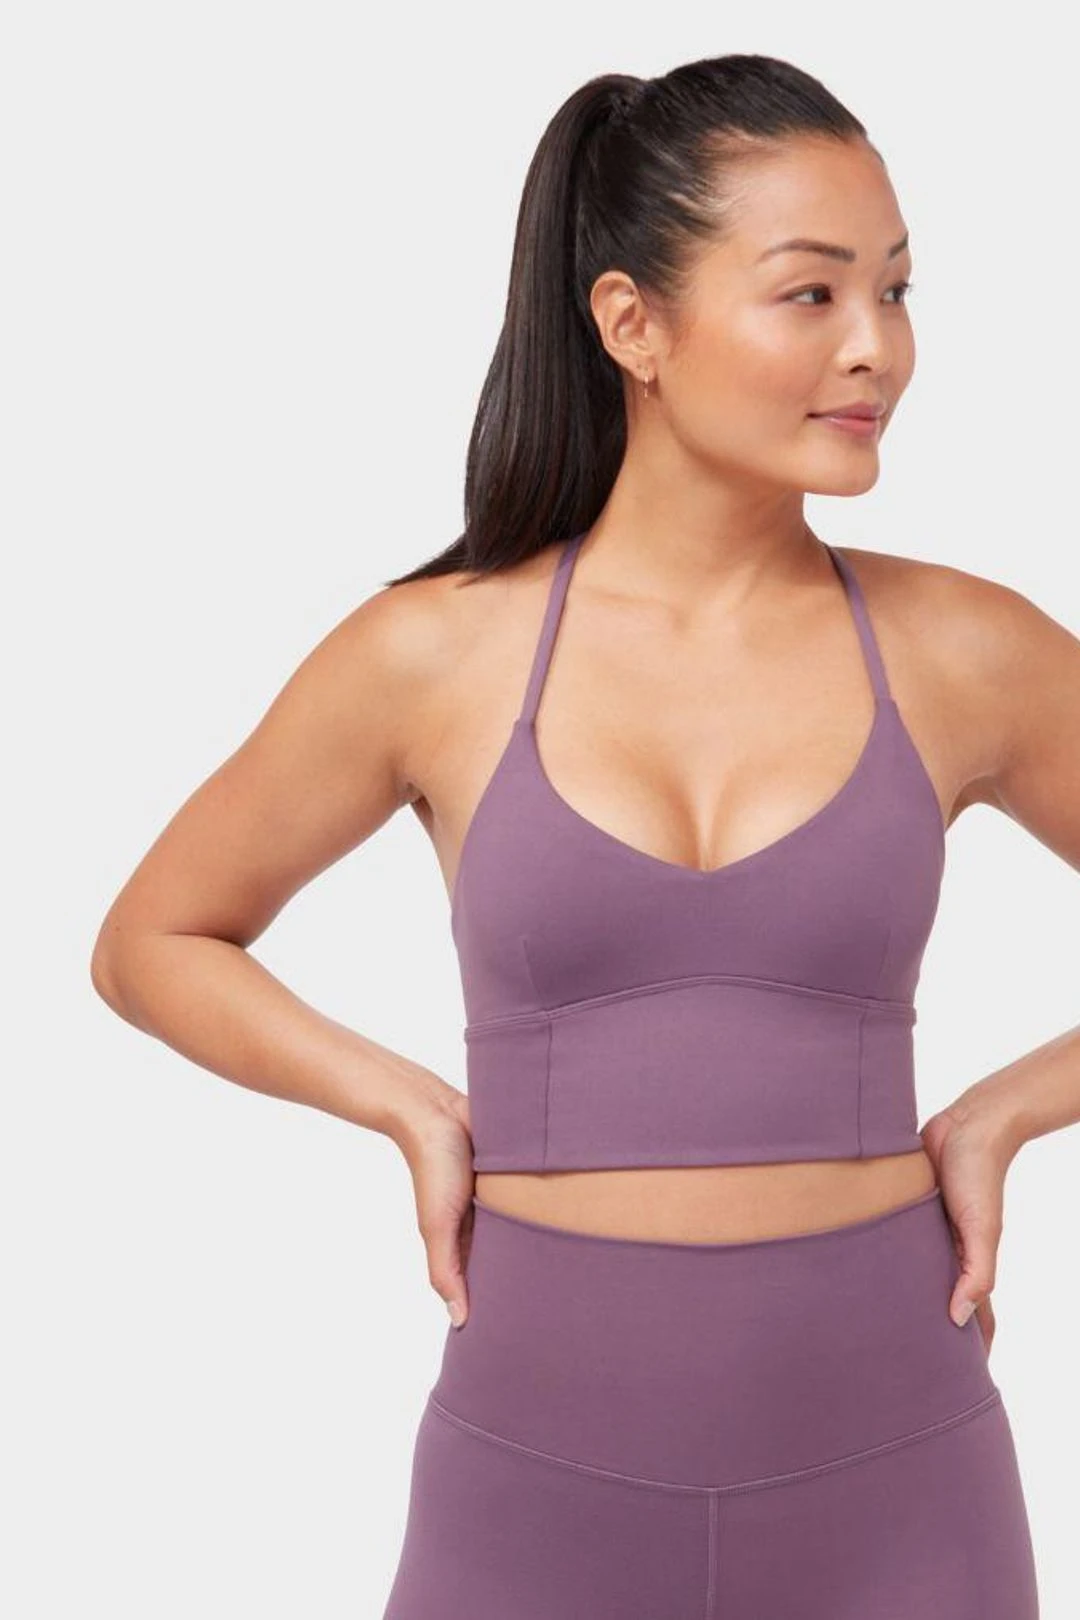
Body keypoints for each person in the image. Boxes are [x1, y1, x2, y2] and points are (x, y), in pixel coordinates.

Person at [89, 51, 1080, 1619]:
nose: (876, 346)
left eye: (896, 290)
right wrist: (409, 1107)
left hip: (901, 1473)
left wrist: (1009, 1110)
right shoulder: (436, 653)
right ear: (633, 325)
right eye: (812, 294)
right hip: (532, 1486)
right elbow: (154, 940)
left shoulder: (967, 650)